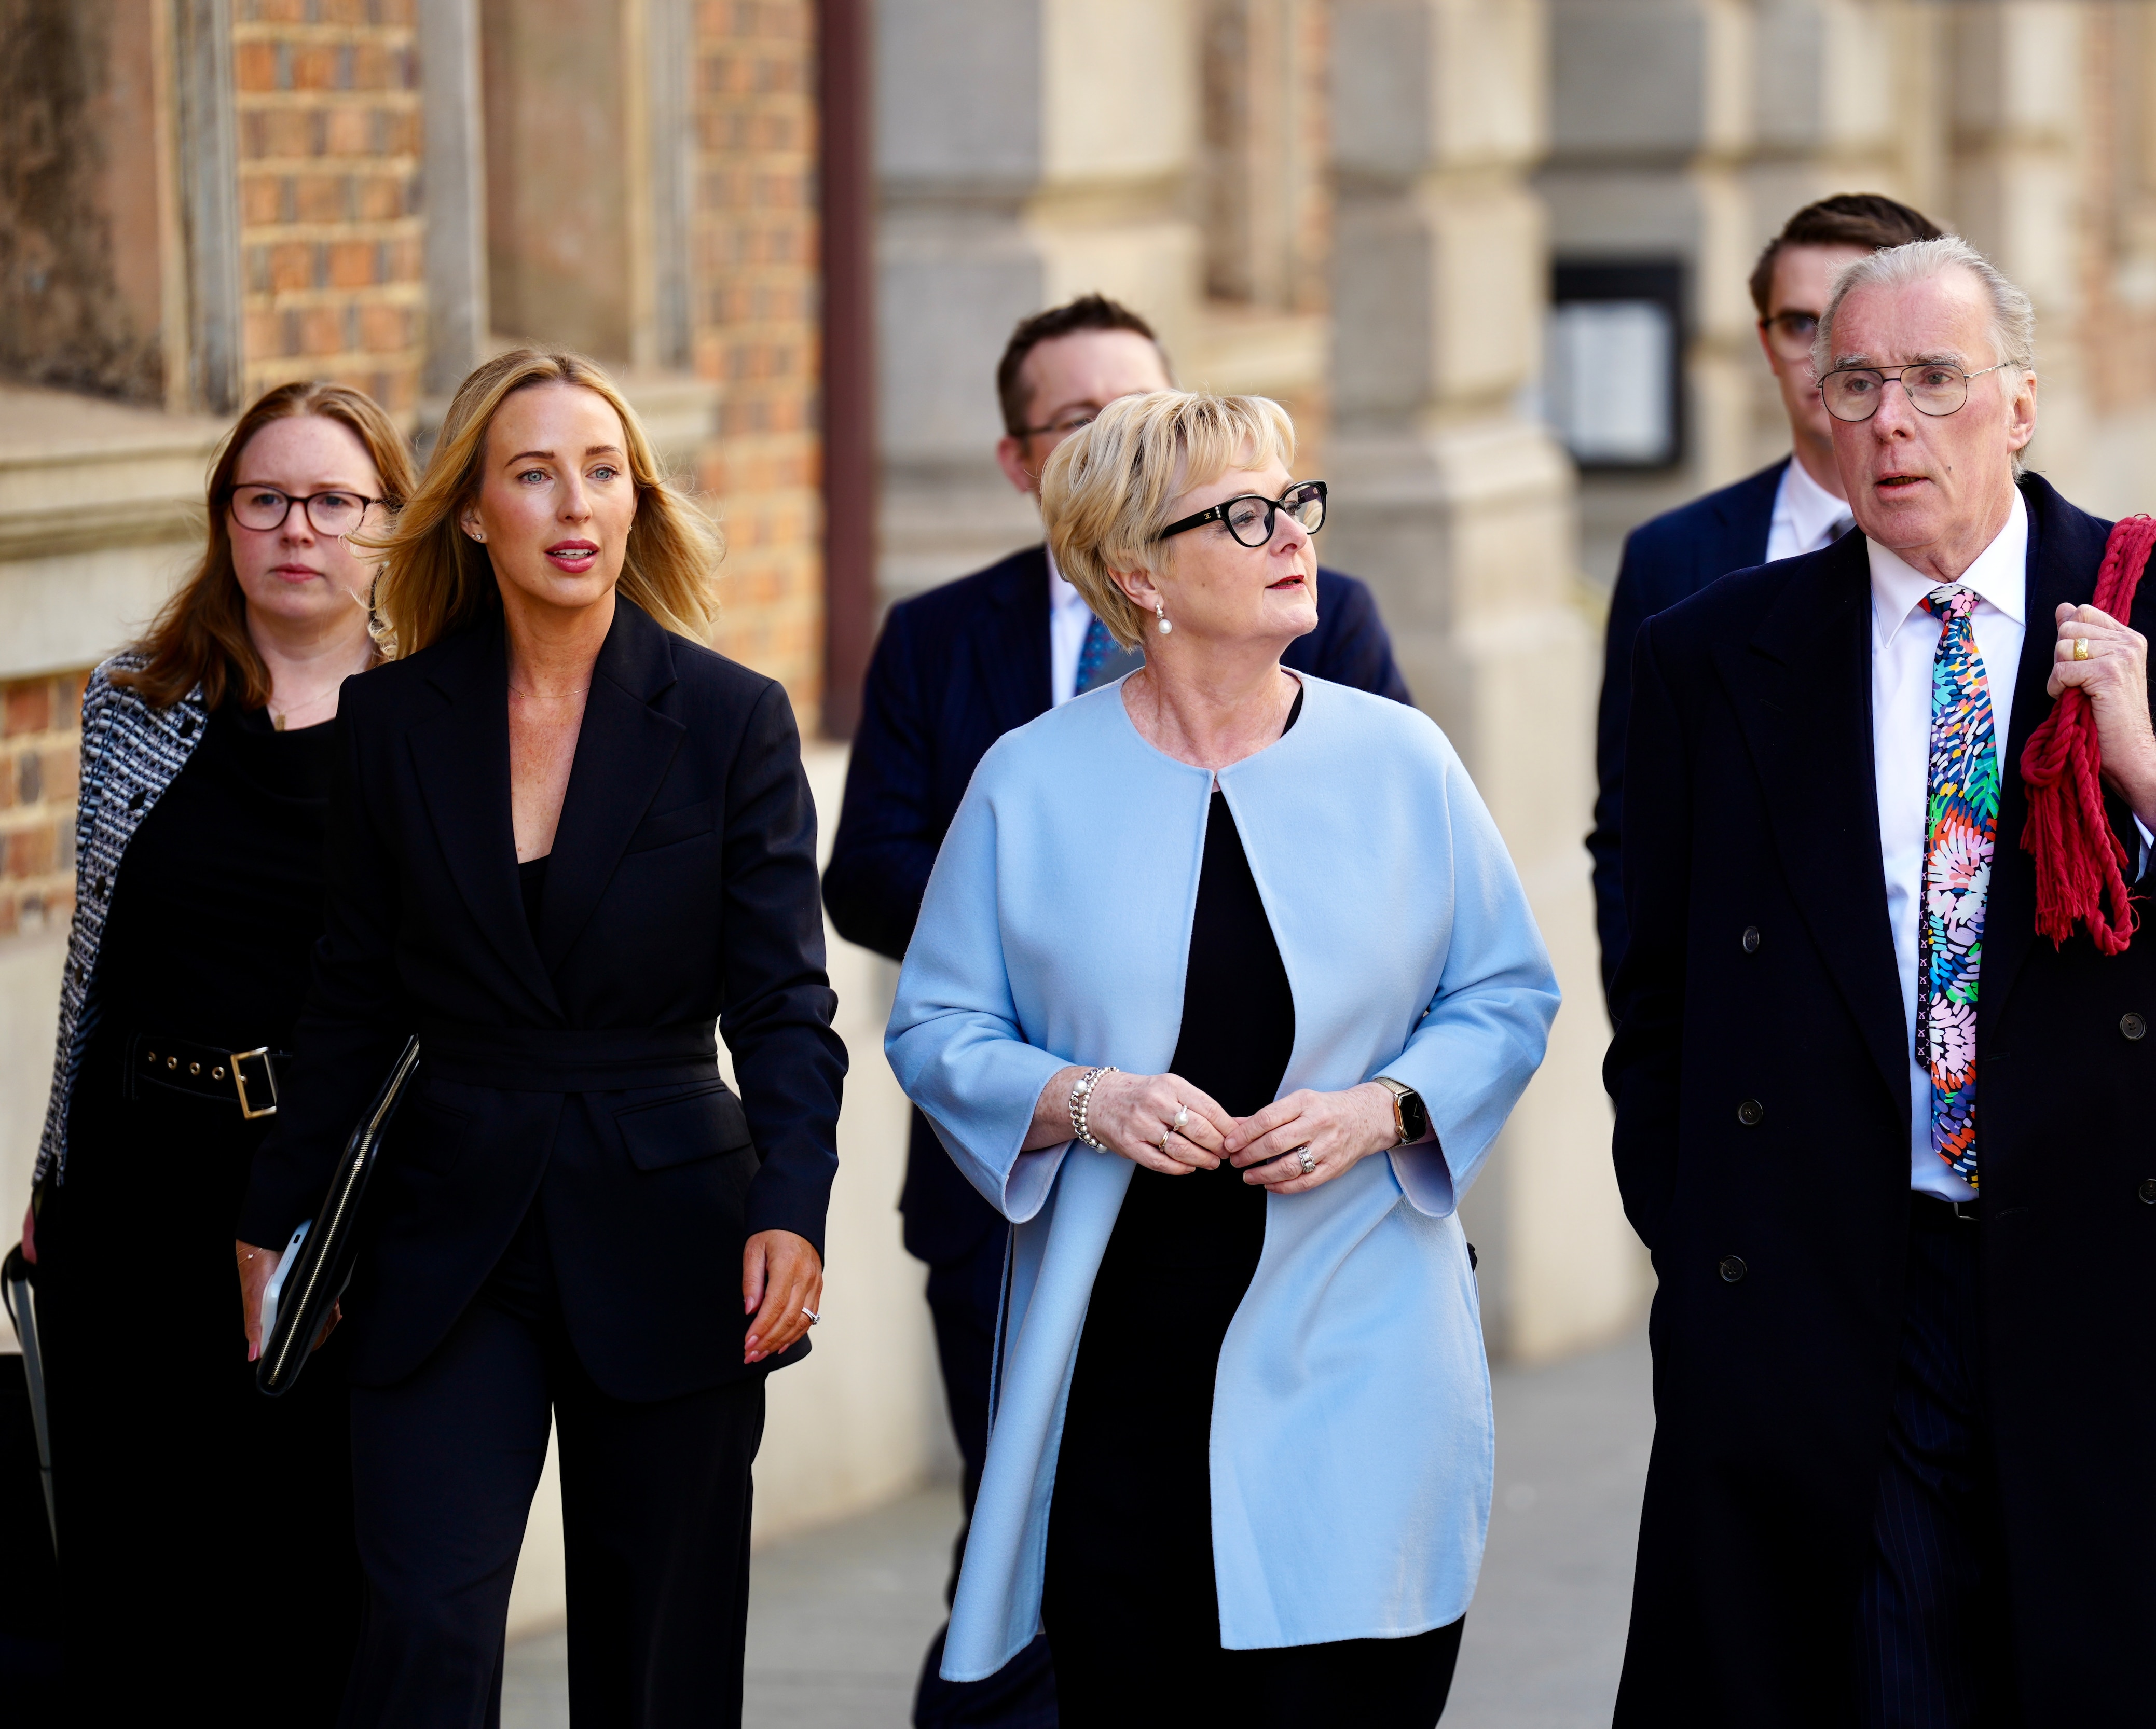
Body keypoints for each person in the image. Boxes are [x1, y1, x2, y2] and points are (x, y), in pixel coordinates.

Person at [1605, 236, 2156, 1724]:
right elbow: (1658, 1001)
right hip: (1853, 1294)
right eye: (1857, 381)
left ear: (2021, 407)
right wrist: (1706, 1250)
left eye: (1934, 380)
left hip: (2142, 1293)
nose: (1892, 419)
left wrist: (2154, 771)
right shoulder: (1710, 657)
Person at [885, 390, 1556, 1728]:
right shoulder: (1031, 779)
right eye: (1241, 514)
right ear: (1139, 571)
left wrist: (1384, 1108)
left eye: (1294, 502)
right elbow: (937, 1025)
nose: (1289, 534)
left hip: (1361, 1332)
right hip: (1122, 1353)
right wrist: (1089, 1097)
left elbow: (1505, 991)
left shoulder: (1400, 759)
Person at [233, 348, 848, 1726]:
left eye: (602, 468)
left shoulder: (732, 718)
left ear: (636, 499)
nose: (574, 503)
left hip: (676, 1221)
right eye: (532, 472)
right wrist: (276, 1214)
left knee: (657, 1658)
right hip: (447, 1226)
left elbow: (784, 1003)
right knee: (426, 1618)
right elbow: (348, 992)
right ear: (470, 510)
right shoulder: (391, 720)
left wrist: (793, 1205)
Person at [820, 292, 1410, 1727]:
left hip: (1295, 1204)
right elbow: (879, 880)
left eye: (1145, 409)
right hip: (1019, 1193)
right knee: (1034, 1556)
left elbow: (1418, 922)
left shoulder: (1341, 654)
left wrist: (1379, 1097)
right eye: (1087, 424)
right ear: (1042, 470)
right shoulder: (963, 670)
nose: (1125, 438)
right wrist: (1069, 985)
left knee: (1274, 1589)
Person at [21, 380, 413, 1724]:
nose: (296, 527)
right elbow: (95, 965)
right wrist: (49, 1172)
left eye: (332, 500)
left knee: (307, 1585)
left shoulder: (428, 726)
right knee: (133, 1594)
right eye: (265, 498)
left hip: (324, 1201)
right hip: (130, 1192)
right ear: (225, 520)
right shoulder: (139, 698)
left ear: (388, 525)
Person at [1590, 193, 1942, 997]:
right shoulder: (1672, 559)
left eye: (1851, 321)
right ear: (1766, 342)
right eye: (1799, 325)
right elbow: (1633, 840)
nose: (1827, 355)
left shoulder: (2018, 561)